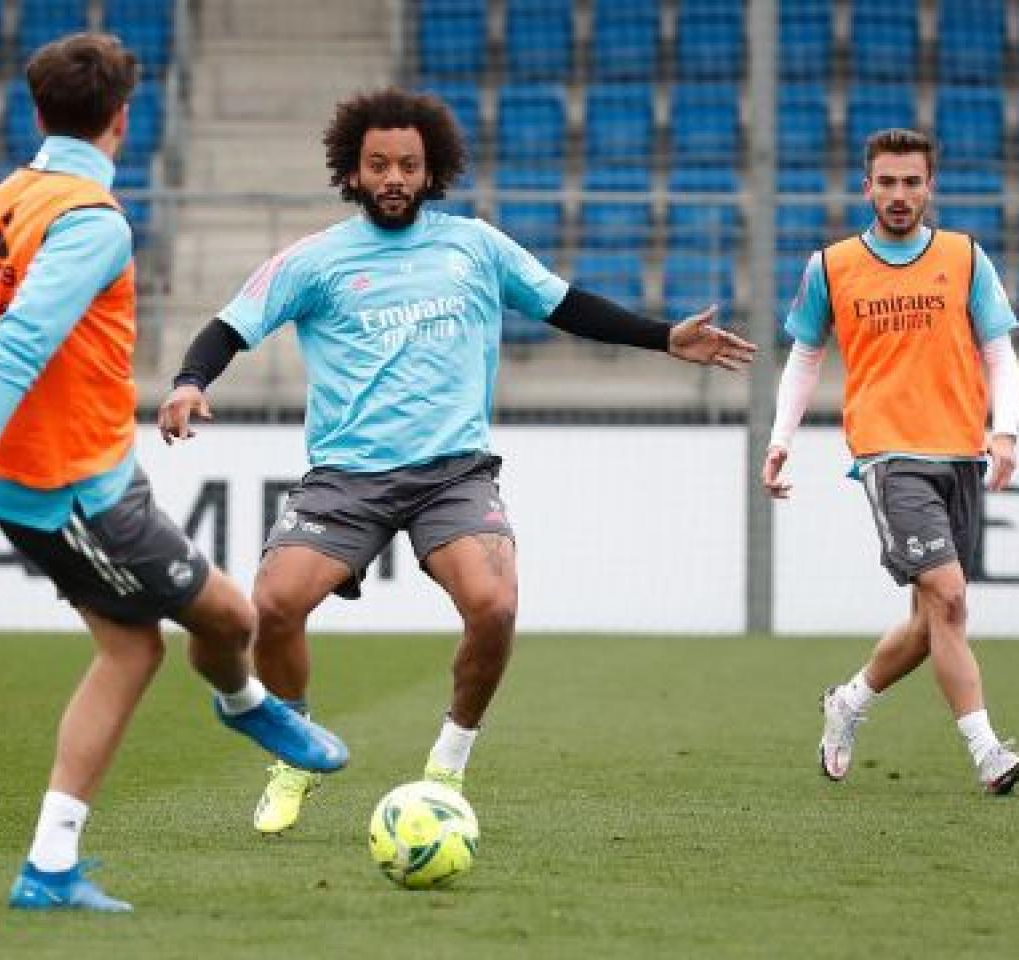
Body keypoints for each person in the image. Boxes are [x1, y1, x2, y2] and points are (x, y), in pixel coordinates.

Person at [158, 87, 756, 835]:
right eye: (378, 164)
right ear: (352, 171)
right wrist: (189, 383)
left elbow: (565, 304)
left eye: (409, 164)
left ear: (432, 169)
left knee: (495, 606)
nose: (393, 178)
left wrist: (663, 336)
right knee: (273, 608)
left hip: (454, 474)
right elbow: (229, 327)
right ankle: (294, 752)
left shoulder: (476, 246)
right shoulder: (314, 260)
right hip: (347, 478)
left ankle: (447, 763)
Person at [0, 33, 348, 913]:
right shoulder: (92, 224)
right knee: (134, 649)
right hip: (68, 490)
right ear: (123, 120)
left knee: (229, 614)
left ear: (37, 114)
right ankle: (50, 866)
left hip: (91, 472)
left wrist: (41, 385)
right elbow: (12, 350)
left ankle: (244, 703)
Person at [763, 128, 1019, 795]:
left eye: (911, 182)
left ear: (929, 186)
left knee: (930, 620)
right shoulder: (831, 266)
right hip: (889, 452)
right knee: (949, 596)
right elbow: (805, 356)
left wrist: (1004, 433)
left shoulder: (965, 257)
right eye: (887, 182)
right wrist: (780, 438)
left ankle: (849, 701)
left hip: (962, 449)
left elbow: (998, 351)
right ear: (867, 187)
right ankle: (986, 753)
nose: (899, 195)